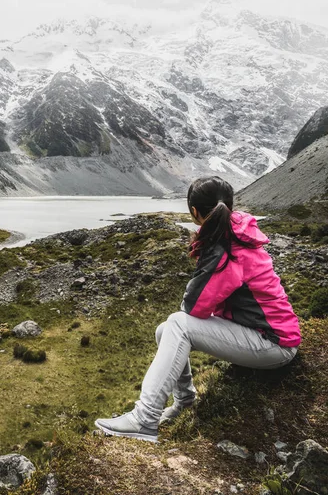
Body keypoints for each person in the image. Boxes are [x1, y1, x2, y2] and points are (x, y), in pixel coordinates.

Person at [95, 176, 301, 443]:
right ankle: (184, 402)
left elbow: (193, 308)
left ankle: (144, 419)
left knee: (178, 323)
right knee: (166, 329)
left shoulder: (225, 249)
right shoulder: (235, 234)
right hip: (265, 335)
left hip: (274, 344)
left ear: (194, 212)